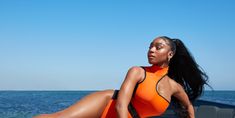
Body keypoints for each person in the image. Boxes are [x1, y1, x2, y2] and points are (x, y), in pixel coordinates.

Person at [34, 36, 209, 118]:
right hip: (107, 103)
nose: (151, 50)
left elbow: (188, 106)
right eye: (150, 46)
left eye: (158, 47)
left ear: (170, 54)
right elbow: (121, 105)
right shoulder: (137, 71)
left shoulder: (174, 87)